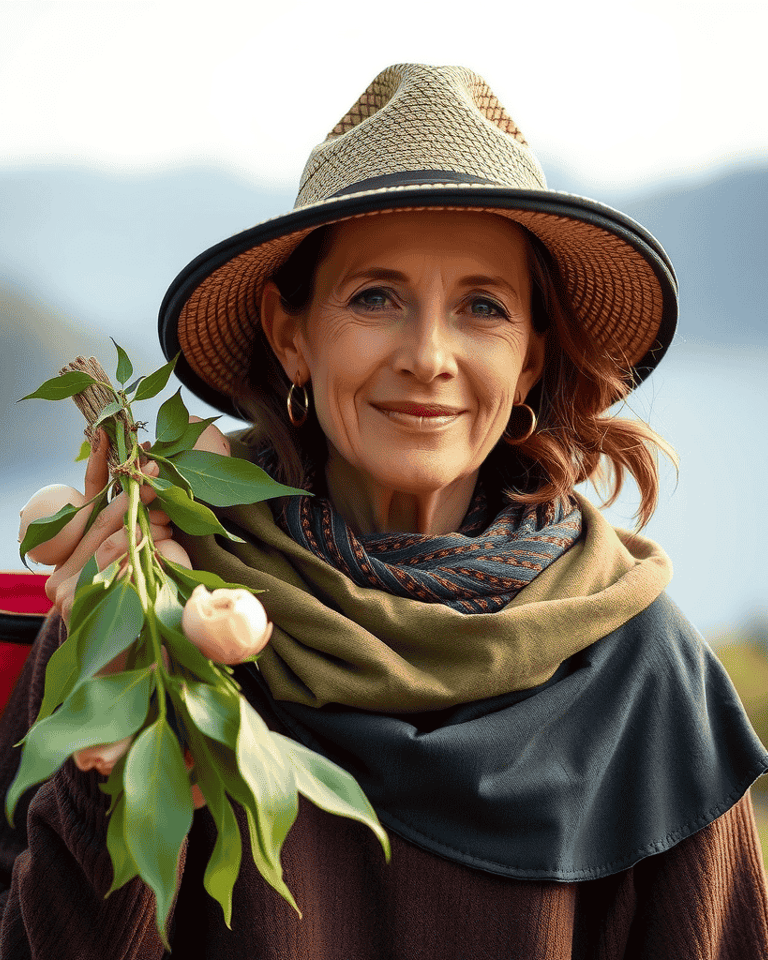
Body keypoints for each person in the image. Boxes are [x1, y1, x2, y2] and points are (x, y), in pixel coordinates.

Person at [2, 62, 768, 959]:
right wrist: (115, 758)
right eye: (376, 297)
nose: (429, 355)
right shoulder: (156, 600)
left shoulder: (640, 670)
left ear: (528, 360)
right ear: (293, 336)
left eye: (483, 306)